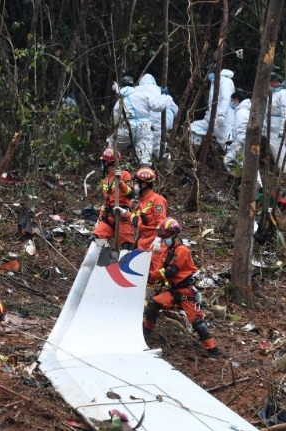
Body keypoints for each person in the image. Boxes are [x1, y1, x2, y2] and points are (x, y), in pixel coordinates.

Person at [144, 218, 219, 357]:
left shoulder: (182, 250)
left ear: (173, 235)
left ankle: (212, 349)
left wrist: (149, 276)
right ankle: (146, 331)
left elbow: (170, 271)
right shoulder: (167, 250)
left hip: (186, 292)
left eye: (165, 236)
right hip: (173, 291)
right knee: (153, 304)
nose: (163, 239)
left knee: (198, 323)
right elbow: (159, 267)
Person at [109, 75, 170, 166]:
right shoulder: (142, 94)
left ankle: (108, 170)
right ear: (133, 85)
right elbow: (159, 106)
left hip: (127, 126)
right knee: (145, 159)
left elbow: (116, 118)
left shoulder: (120, 100)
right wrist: (164, 95)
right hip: (144, 127)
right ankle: (145, 176)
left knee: (112, 147)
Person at [90, 147, 136, 249]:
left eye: (103, 162)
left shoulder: (124, 174)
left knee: (127, 246)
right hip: (108, 217)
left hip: (122, 216)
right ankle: (102, 262)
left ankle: (121, 262)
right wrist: (99, 219)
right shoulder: (106, 181)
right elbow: (105, 203)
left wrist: (120, 182)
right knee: (94, 238)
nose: (102, 165)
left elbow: (131, 194)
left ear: (109, 163)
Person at [136, 74, 178, 164]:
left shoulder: (137, 91)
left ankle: (145, 166)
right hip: (163, 123)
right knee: (159, 144)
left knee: (145, 143)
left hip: (145, 124)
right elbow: (175, 109)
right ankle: (167, 164)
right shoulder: (159, 90)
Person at [190, 69, 235, 150]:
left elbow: (226, 99)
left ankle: (235, 161)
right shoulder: (215, 82)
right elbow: (213, 104)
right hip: (212, 119)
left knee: (228, 145)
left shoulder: (225, 81)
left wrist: (221, 114)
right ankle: (193, 153)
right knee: (194, 127)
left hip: (224, 121)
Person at [223, 91, 259, 184]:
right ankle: (241, 180)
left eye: (232, 101)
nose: (232, 104)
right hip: (248, 142)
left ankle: (255, 186)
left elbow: (242, 128)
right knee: (230, 160)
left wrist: (240, 143)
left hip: (244, 143)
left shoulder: (241, 112)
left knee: (247, 164)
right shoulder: (246, 110)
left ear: (236, 100)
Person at [267, 72, 286, 174]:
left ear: (274, 82)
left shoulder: (284, 93)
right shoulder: (274, 93)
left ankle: (284, 170)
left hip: (279, 125)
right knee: (274, 146)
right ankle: (280, 169)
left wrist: (283, 129)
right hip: (272, 124)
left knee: (278, 146)